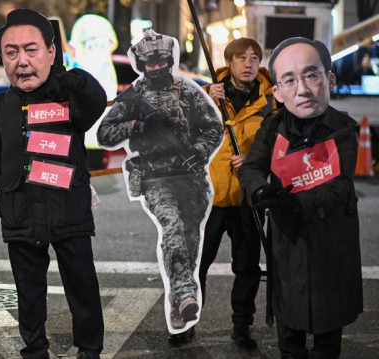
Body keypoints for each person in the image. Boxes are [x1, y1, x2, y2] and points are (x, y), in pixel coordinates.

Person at [0, 9, 106, 359]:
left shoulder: (68, 97)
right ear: (3, 59)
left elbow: (97, 102)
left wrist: (75, 80)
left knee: (83, 286)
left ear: (51, 53)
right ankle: (35, 348)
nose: (22, 61)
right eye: (12, 53)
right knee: (28, 291)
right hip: (19, 211)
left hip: (69, 210)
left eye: (31, 50)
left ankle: (89, 349)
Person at [238, 37, 363, 358]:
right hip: (286, 242)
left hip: (331, 242)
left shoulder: (343, 128)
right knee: (289, 332)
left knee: (327, 333)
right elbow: (251, 167)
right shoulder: (273, 127)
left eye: (311, 75)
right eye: (289, 80)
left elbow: (339, 184)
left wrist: (295, 203)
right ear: (277, 91)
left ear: (330, 79)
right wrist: (259, 190)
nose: (302, 89)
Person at [97, 29, 223, 343]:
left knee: (188, 243)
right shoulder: (135, 95)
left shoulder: (188, 89)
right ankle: (184, 294)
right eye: (150, 62)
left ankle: (180, 308)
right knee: (173, 229)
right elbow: (104, 134)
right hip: (155, 179)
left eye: (161, 60)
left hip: (191, 178)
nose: (156, 66)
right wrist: (135, 125)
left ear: (169, 60)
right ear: (141, 63)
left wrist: (199, 152)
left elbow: (213, 127)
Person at [197, 37, 275, 348]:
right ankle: (185, 321)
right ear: (228, 62)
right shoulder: (209, 95)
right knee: (196, 264)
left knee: (247, 266)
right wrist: (204, 96)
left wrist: (256, 160)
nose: (248, 64)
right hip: (210, 197)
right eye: (241, 58)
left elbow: (278, 145)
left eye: (254, 58)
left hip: (247, 196)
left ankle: (242, 325)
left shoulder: (271, 101)